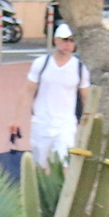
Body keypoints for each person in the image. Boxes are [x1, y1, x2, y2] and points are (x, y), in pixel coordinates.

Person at [21, 25, 89, 161]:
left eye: (72, 40)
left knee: (63, 162)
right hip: (42, 121)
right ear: (56, 40)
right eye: (65, 40)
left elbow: (85, 97)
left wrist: (87, 121)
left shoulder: (80, 68)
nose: (68, 44)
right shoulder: (41, 64)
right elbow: (27, 91)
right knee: (40, 164)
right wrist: (16, 119)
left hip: (66, 124)